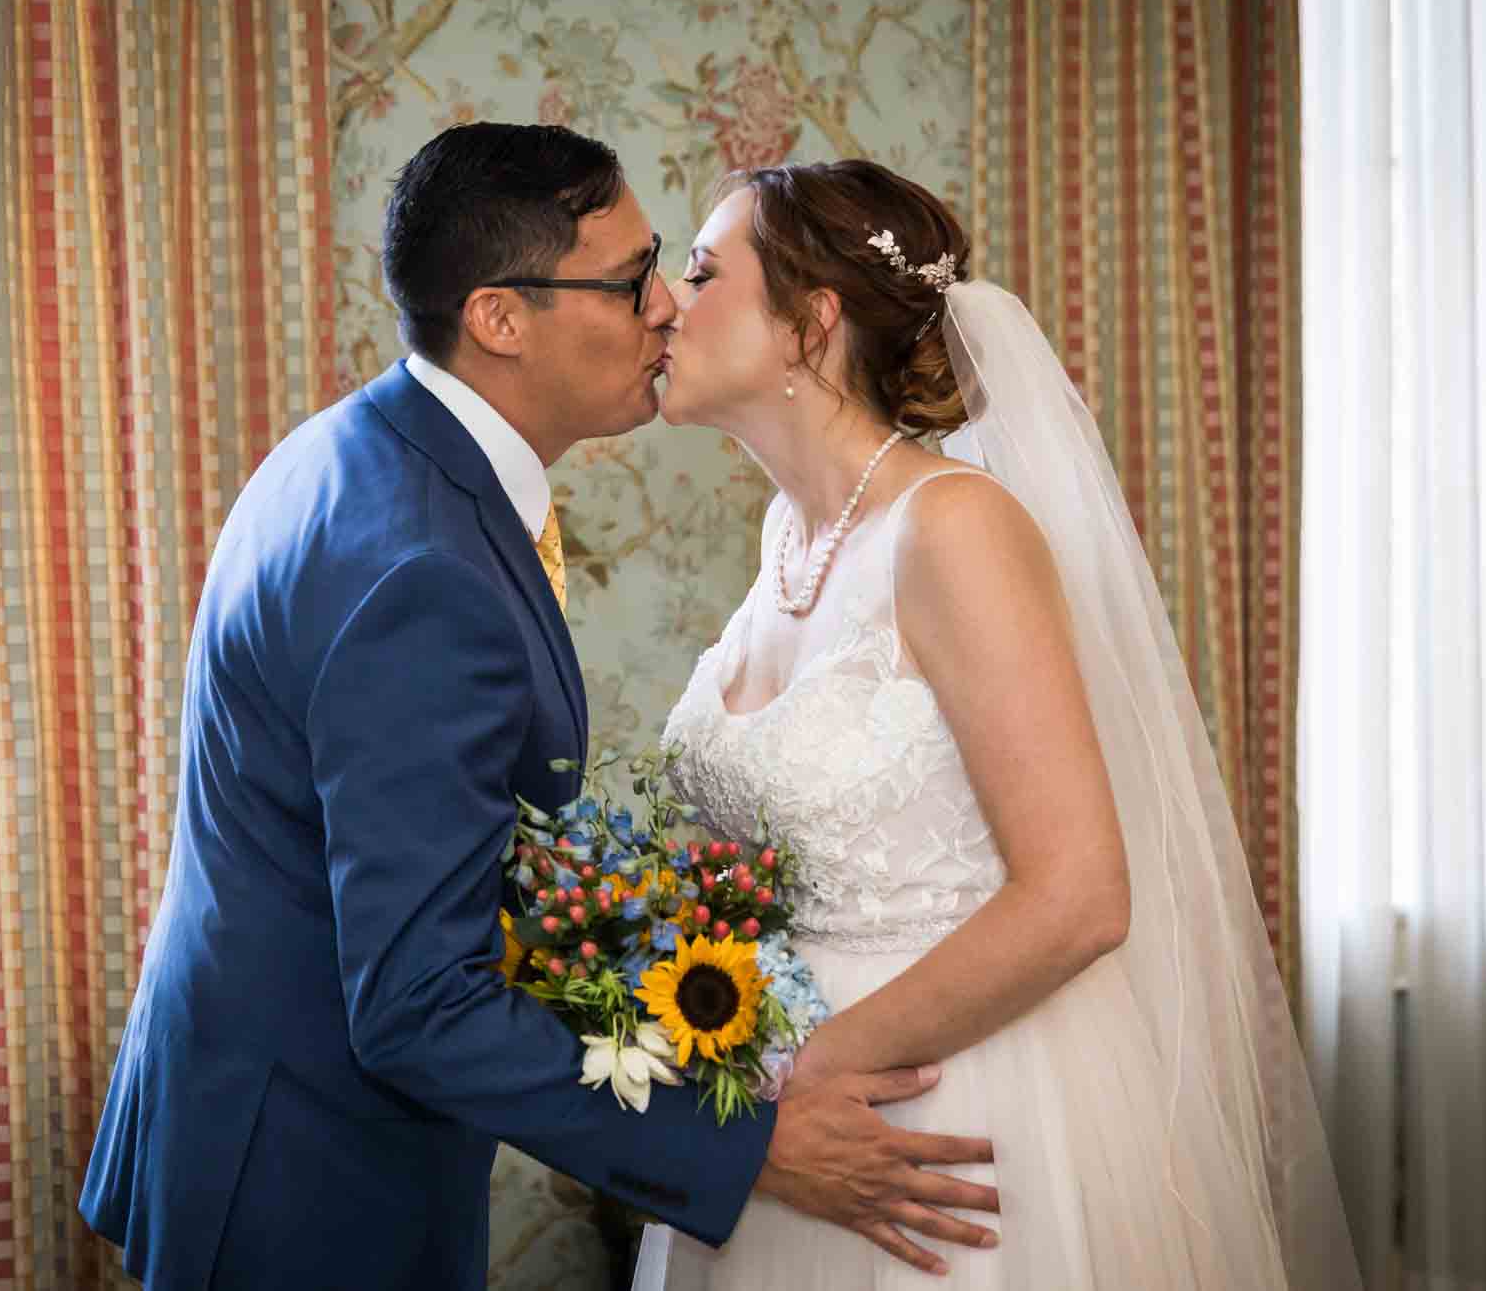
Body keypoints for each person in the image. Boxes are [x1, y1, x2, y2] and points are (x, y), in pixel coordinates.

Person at [77, 125, 1000, 1290]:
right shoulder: (423, 568)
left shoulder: (358, 448)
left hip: (245, 1105)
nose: (664, 306)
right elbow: (417, 1003)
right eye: (628, 283)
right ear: (498, 318)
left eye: (670, 265)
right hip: (311, 1179)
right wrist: (747, 1144)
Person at [636, 159, 1363, 1289]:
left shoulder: (955, 529)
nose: (664, 305)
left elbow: (1079, 895)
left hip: (955, 1107)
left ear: (807, 323)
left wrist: (804, 1077)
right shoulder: (790, 536)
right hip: (788, 1112)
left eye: (698, 270)